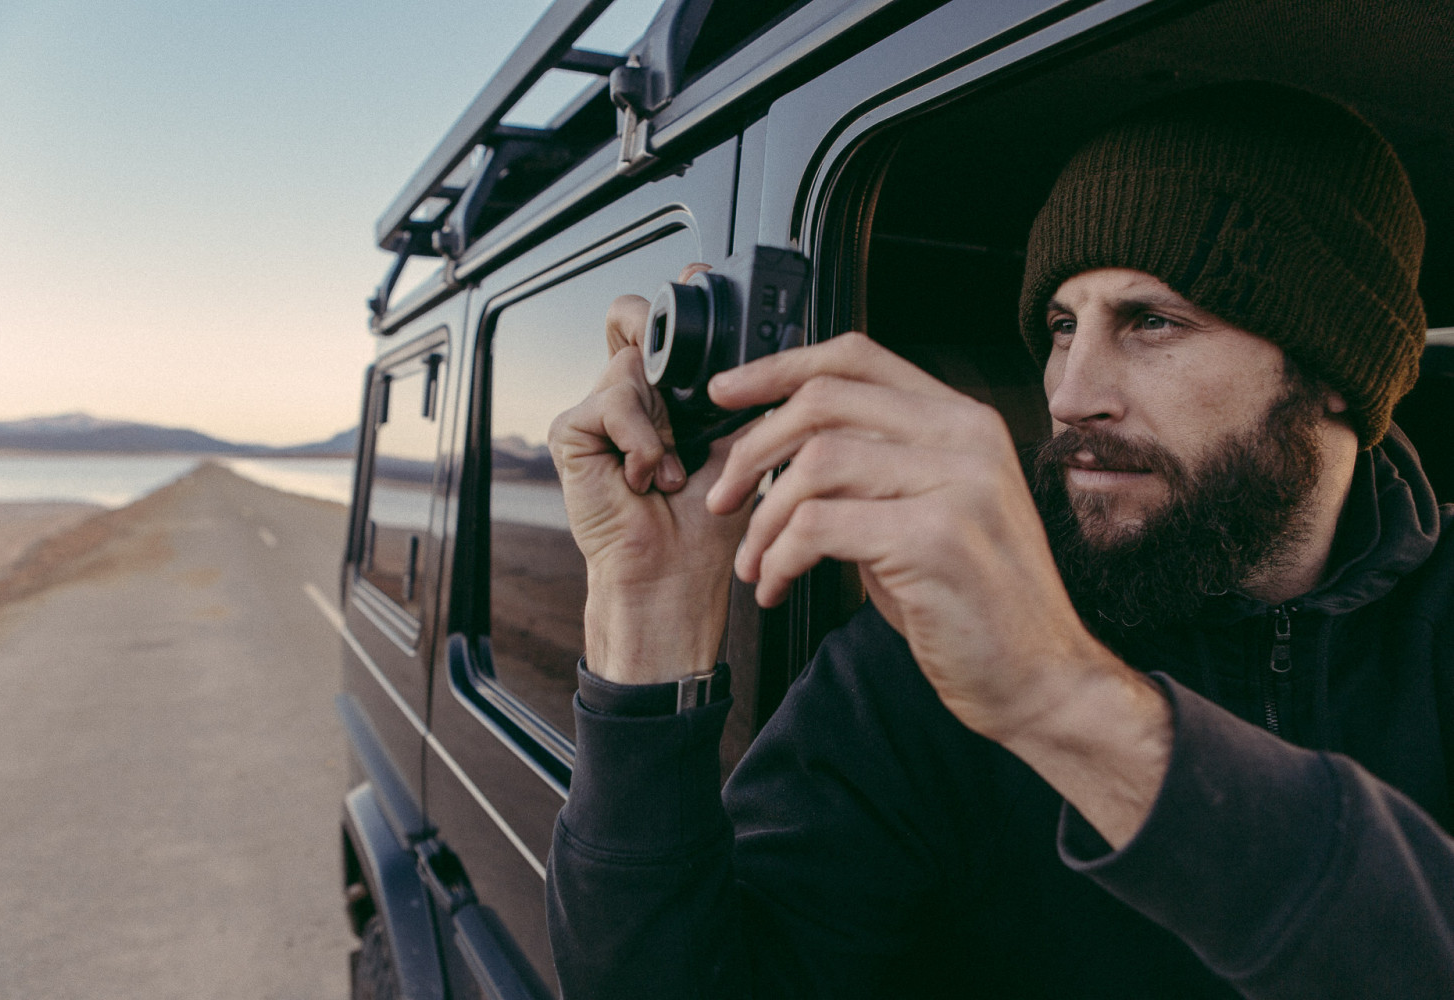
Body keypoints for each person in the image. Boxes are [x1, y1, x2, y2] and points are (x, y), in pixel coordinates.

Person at [544, 82, 1454, 998]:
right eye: (1062, 326)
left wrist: (1063, 702)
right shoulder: (926, 659)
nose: (1069, 393)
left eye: (1153, 321)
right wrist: (647, 610)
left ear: (1336, 367)